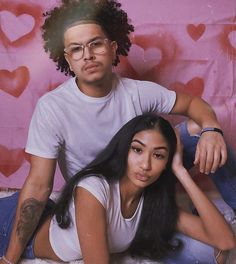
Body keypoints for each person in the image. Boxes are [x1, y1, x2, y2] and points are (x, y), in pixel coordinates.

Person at [2, 0, 236, 263]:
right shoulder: (54, 108)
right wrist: (10, 258)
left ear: (113, 48)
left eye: (96, 44)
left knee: (201, 129)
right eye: (76, 49)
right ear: (67, 58)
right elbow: (38, 186)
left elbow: (193, 104)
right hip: (86, 200)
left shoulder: (137, 93)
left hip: (132, 190)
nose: (87, 55)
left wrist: (211, 130)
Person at [0, 114, 235, 264]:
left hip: (49, 215)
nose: (145, 164)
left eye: (159, 155)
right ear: (124, 150)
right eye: (137, 150)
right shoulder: (93, 189)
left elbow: (225, 242)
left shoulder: (151, 203)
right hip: (11, 226)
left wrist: (181, 172)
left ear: (167, 164)